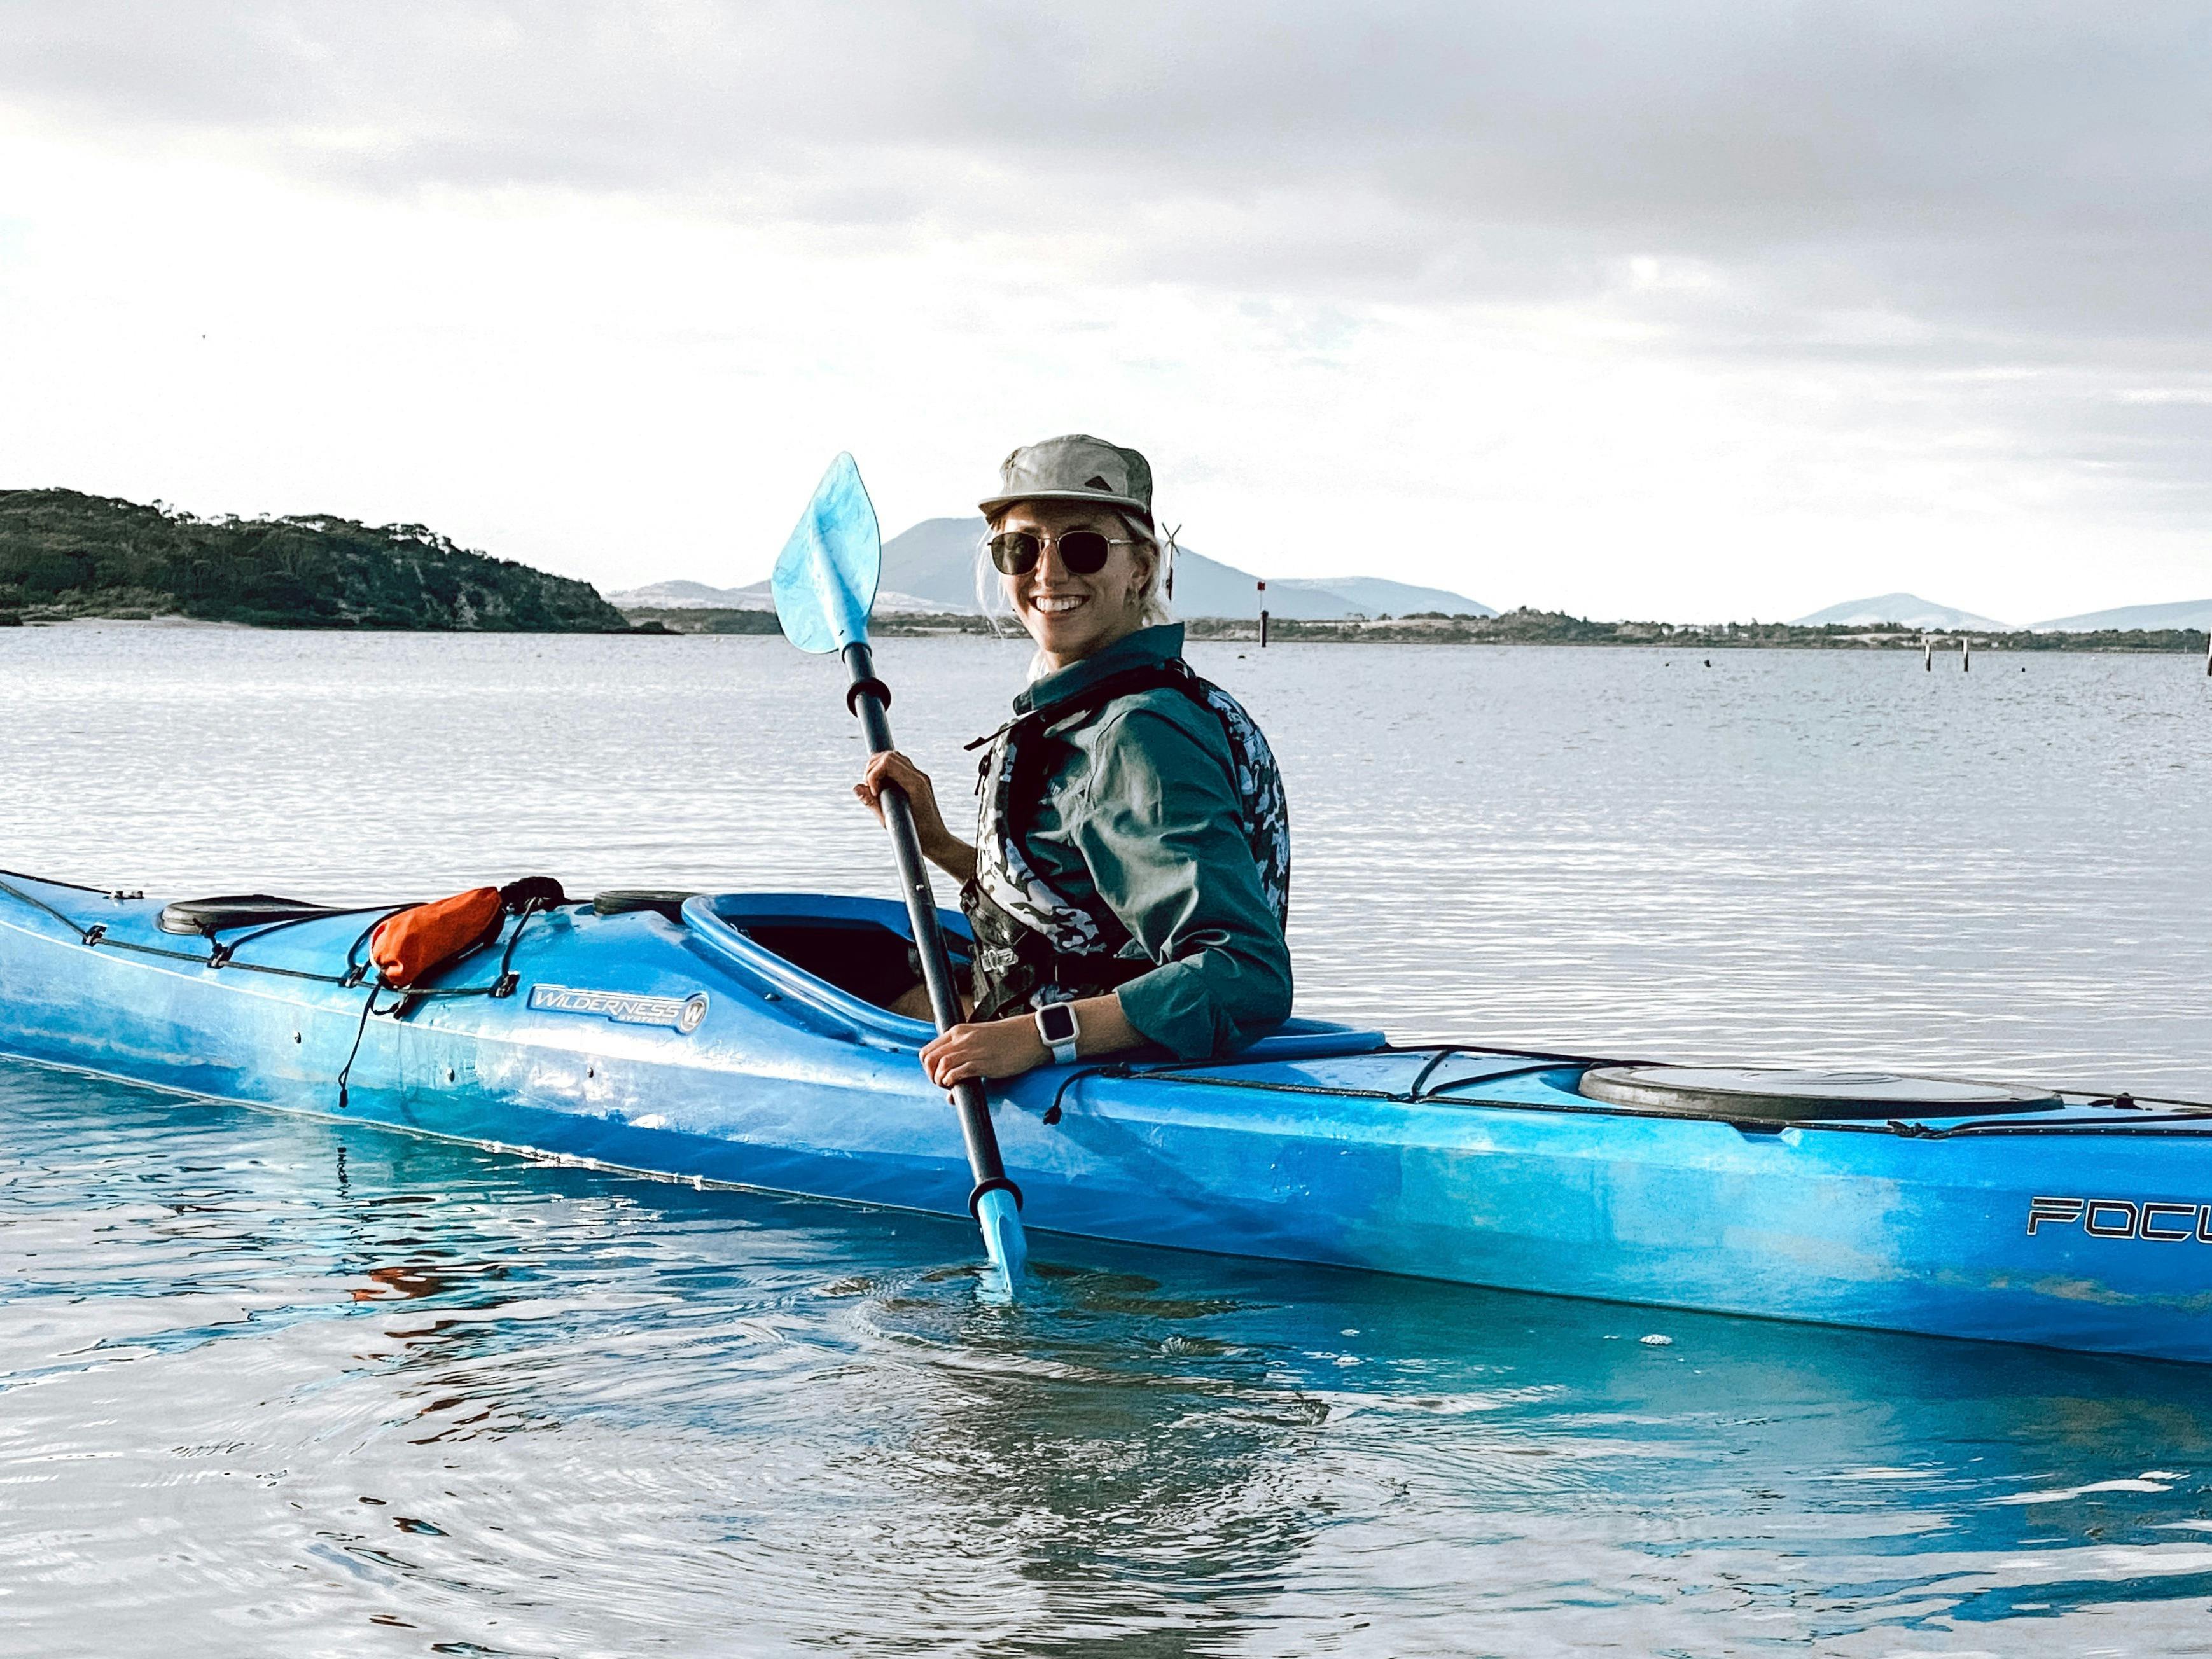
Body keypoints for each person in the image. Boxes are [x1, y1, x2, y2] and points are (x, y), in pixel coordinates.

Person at [855, 434, 1293, 1092]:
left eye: (1084, 547)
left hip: (1103, 1079)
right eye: (1020, 547)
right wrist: (941, 844)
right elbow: (1095, 921)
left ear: (1141, 568)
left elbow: (1247, 976)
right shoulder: (1107, 708)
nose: (1049, 574)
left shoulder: (1138, 732)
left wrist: (1037, 1039)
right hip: (1080, 1049)